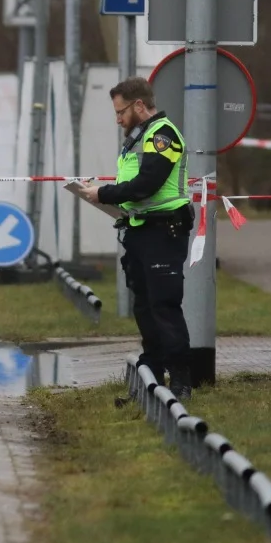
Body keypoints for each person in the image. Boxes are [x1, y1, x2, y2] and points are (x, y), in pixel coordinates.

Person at [74, 77, 193, 391]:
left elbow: (147, 184)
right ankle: (151, 375)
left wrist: (105, 193)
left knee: (164, 305)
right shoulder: (137, 138)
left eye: (121, 112)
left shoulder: (163, 135)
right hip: (141, 231)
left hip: (165, 231)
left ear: (139, 105)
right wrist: (104, 193)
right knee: (144, 305)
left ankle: (181, 381)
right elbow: (135, 187)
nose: (118, 119)